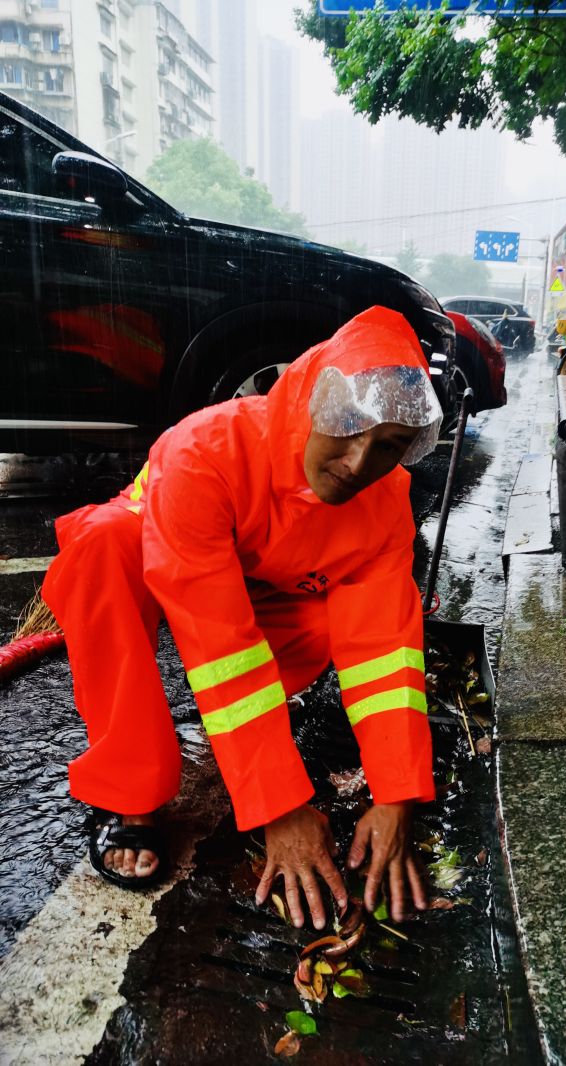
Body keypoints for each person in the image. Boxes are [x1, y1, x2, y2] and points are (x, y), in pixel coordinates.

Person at [42, 305, 443, 928]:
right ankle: (129, 793)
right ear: (309, 401)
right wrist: (280, 807)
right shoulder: (204, 450)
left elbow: (383, 650)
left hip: (268, 587)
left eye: (388, 447)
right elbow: (219, 637)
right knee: (100, 551)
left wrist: (397, 795)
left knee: (332, 629)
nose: (357, 464)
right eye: (347, 429)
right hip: (164, 557)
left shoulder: (385, 504)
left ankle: (244, 739)